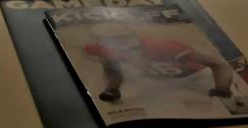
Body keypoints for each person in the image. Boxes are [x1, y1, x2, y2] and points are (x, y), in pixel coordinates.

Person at [83, 23, 235, 104]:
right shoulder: (101, 49)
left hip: (194, 76)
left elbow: (220, 65)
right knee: (110, 65)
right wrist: (112, 88)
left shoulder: (165, 47)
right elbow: (110, 67)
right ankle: (113, 90)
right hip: (159, 79)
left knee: (227, 103)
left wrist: (221, 89)